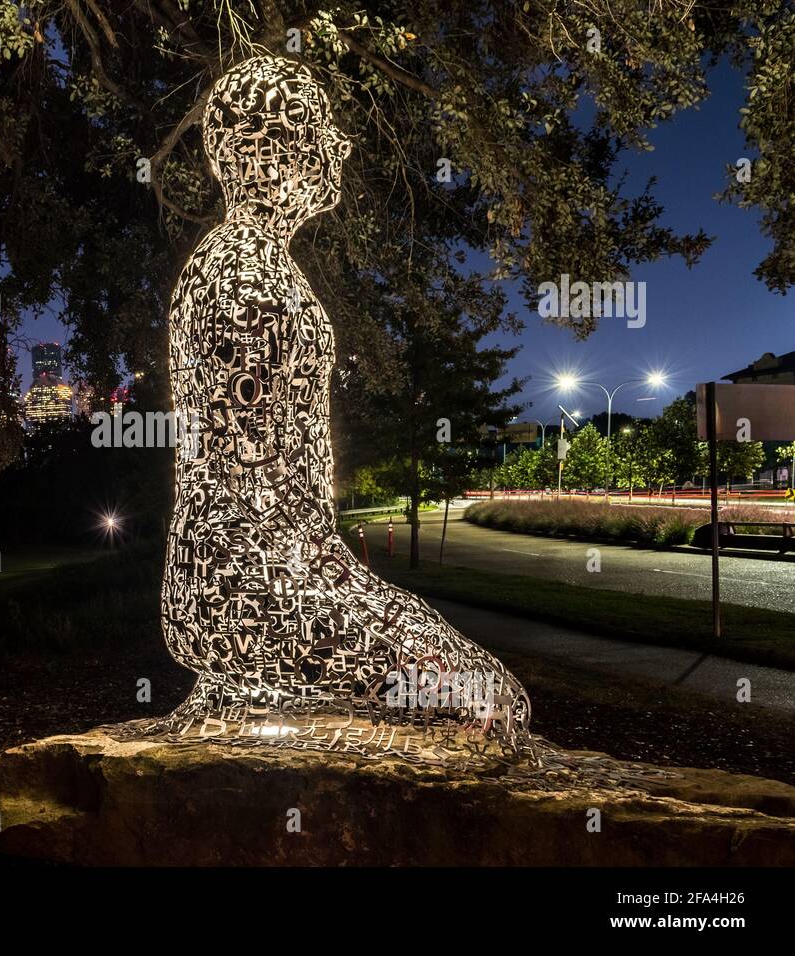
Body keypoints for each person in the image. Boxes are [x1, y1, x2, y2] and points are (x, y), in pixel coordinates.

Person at [154, 56, 531, 758]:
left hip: (258, 578)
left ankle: (245, 708)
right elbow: (253, 507)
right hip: (251, 585)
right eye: (321, 129)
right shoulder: (250, 286)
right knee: (488, 702)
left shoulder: (245, 265)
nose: (340, 144)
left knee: (475, 694)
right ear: (270, 153)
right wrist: (335, 592)